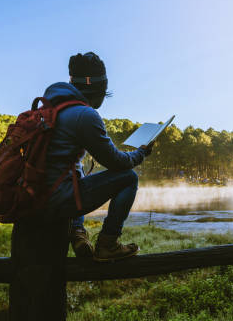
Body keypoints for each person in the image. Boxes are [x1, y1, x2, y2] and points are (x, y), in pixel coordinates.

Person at [42, 51, 152, 261]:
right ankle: (108, 244)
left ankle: (77, 231)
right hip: (58, 201)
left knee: (77, 170)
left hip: (40, 195)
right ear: (99, 89)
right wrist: (141, 153)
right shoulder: (84, 115)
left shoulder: (54, 108)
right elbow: (117, 162)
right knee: (129, 177)